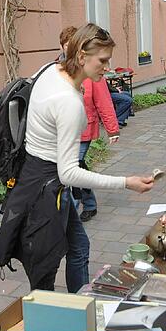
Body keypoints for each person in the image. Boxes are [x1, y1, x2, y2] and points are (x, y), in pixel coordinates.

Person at [0, 23, 154, 292]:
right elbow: (68, 172)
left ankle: (79, 302)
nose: (107, 66)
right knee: (45, 271)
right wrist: (126, 182)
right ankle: (54, 321)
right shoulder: (69, 102)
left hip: (34, 177)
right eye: (102, 60)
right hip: (46, 189)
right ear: (81, 57)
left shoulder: (48, 69)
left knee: (78, 248)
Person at [55, 26, 121, 223]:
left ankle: (73, 212)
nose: (69, 48)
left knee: (73, 168)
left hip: (84, 130)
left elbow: (103, 100)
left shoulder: (91, 70)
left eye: (71, 44)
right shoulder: (57, 69)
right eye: (65, 45)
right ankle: (89, 203)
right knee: (77, 167)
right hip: (65, 131)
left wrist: (112, 129)